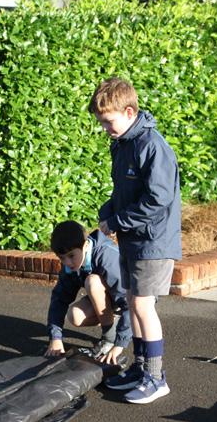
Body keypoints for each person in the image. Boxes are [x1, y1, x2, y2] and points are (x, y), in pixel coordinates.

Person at [89, 77, 182, 404]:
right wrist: (108, 212)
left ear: (129, 112)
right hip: (133, 240)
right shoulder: (123, 144)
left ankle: (156, 378)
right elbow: (124, 193)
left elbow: (158, 199)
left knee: (143, 305)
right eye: (101, 123)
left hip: (153, 242)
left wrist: (117, 221)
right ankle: (141, 370)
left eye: (108, 121)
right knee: (133, 303)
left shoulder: (152, 146)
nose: (105, 129)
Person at [45, 220, 131, 365]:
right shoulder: (70, 266)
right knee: (75, 316)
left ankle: (109, 338)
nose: (67, 263)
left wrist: (119, 344)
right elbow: (59, 300)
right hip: (111, 298)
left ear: (85, 245)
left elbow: (130, 302)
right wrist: (55, 338)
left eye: (71, 256)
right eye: (62, 258)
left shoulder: (107, 257)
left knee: (92, 282)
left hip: (135, 297)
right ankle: (114, 321)